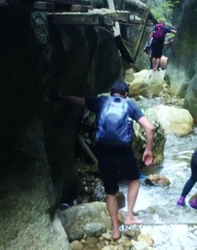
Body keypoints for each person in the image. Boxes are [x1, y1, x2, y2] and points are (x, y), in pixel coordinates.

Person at [59, 81, 154, 240]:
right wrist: (148, 149)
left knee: (110, 191)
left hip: (103, 152)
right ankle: (129, 215)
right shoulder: (130, 105)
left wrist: (60, 97)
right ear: (126, 94)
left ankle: (115, 230)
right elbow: (149, 128)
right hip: (124, 152)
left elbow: (77, 100)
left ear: (111, 92)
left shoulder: (100, 102)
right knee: (134, 178)